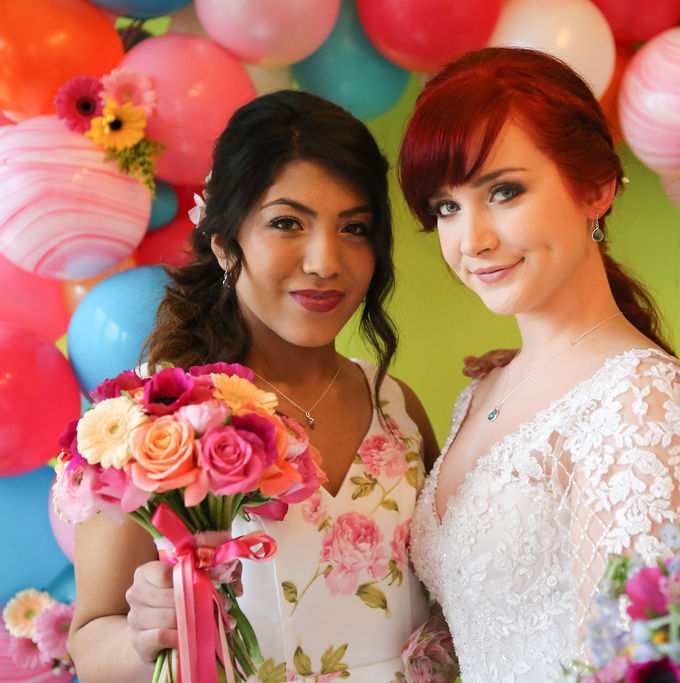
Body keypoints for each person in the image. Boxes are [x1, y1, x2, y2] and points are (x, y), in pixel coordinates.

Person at [68, 90, 441, 682]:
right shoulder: (146, 423)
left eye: (355, 228)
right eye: (286, 223)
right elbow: (91, 642)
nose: (325, 262)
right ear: (224, 242)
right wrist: (142, 636)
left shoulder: (397, 407)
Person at [398, 47, 680, 681]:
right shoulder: (483, 389)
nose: (472, 240)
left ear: (596, 186)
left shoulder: (641, 401)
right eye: (446, 207)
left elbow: (630, 665)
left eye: (504, 191)